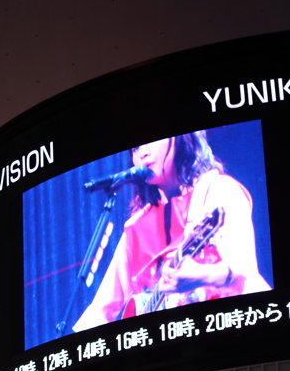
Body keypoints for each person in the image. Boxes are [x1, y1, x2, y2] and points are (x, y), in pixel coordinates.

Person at [75, 131, 270, 331]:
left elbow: (245, 273)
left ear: (181, 137)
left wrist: (205, 275)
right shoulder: (136, 228)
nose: (142, 153)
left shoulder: (219, 190)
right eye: (135, 148)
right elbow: (100, 312)